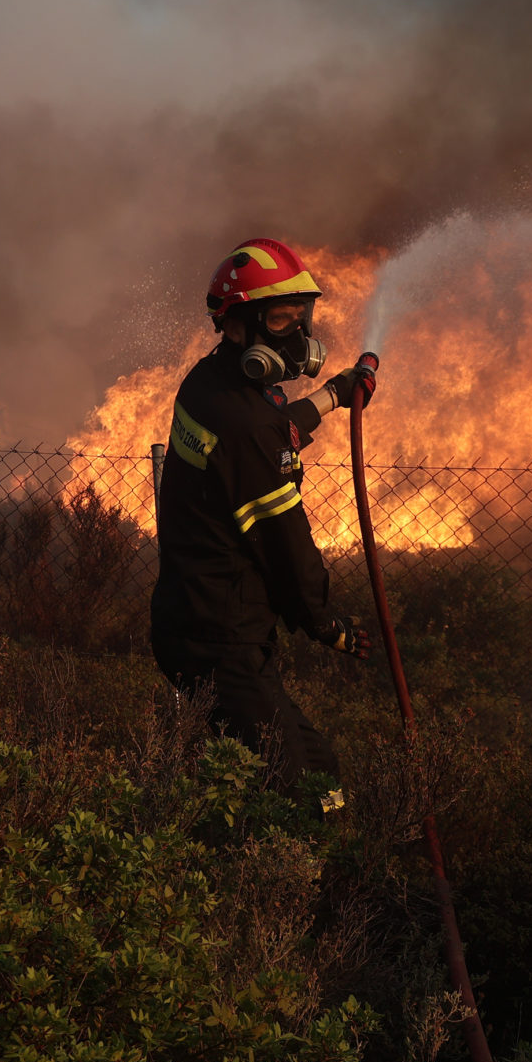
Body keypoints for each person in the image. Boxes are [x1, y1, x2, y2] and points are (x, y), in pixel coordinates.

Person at [149, 236, 379, 798]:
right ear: (238, 325)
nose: (297, 336)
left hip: (199, 618)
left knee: (310, 771)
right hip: (219, 637)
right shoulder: (246, 421)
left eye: (300, 317)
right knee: (300, 787)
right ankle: (289, 880)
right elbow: (286, 546)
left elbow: (274, 431)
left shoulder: (212, 384)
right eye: (280, 319)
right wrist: (328, 626)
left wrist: (333, 395)